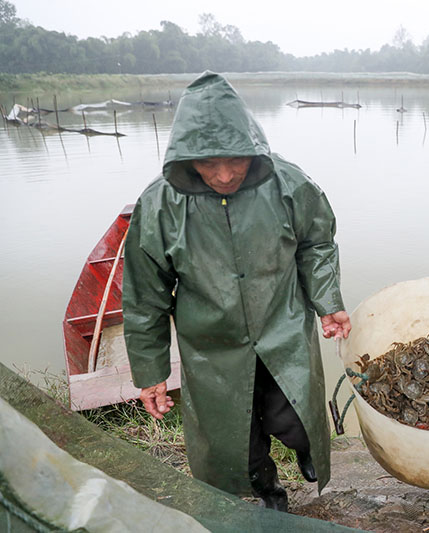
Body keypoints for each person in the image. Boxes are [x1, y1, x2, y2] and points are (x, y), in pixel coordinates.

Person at [122, 71, 351, 512]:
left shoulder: (288, 184)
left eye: (237, 160)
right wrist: (150, 371)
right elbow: (144, 296)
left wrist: (328, 302)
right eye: (209, 163)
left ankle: (307, 454)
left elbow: (317, 243)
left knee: (298, 418)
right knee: (237, 442)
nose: (225, 175)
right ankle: (269, 497)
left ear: (253, 148)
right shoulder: (159, 205)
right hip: (213, 348)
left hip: (281, 329)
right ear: (187, 158)